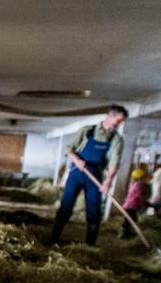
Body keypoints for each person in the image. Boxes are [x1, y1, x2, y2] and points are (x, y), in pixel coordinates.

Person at [48, 104, 128, 246]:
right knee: (66, 205)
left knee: (94, 209)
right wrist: (77, 159)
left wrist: (108, 182)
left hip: (95, 177)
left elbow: (114, 162)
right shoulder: (87, 131)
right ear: (110, 116)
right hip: (76, 173)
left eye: (121, 121)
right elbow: (68, 149)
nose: (119, 124)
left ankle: (90, 245)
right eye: (118, 120)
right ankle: (53, 239)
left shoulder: (116, 139)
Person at [119, 168, 148, 239]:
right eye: (143, 177)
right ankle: (122, 233)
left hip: (129, 205)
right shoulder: (138, 184)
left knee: (132, 219)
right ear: (140, 177)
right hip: (130, 206)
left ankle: (127, 231)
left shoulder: (133, 184)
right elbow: (139, 196)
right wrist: (142, 204)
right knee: (130, 220)